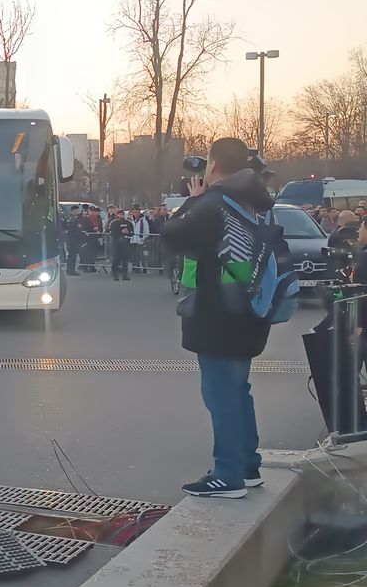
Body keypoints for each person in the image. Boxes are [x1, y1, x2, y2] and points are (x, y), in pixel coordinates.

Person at [161, 137, 276, 499]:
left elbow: (171, 237)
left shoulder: (214, 203)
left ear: (212, 165)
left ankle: (227, 475)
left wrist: (191, 201)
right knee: (238, 391)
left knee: (221, 394)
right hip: (250, 309)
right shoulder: (255, 203)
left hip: (220, 314)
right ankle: (247, 465)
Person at [108, 209, 134, 281]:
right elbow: (111, 232)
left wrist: (128, 232)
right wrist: (120, 231)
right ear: (117, 215)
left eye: (122, 214)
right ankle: (115, 275)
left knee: (125, 260)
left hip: (125, 243)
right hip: (116, 243)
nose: (121, 216)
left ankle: (125, 275)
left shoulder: (129, 223)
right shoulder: (113, 223)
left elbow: (132, 233)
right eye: (120, 214)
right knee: (115, 259)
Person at [64, 206, 87, 276]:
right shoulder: (73, 219)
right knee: (72, 256)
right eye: (77, 210)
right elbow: (75, 230)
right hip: (73, 240)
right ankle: (71, 270)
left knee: (72, 255)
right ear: (73, 211)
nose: (78, 211)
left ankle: (70, 269)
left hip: (72, 240)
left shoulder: (72, 219)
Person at [129, 205, 151, 273]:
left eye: (137, 212)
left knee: (141, 256)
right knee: (134, 255)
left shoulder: (143, 221)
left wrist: (143, 238)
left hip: (140, 241)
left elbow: (146, 231)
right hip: (133, 240)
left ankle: (144, 268)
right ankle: (135, 267)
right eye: (134, 212)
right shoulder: (131, 220)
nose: (135, 214)